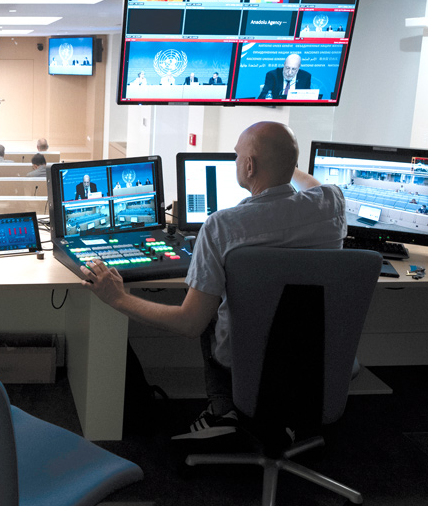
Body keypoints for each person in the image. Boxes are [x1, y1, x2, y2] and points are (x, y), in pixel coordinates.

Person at [79, 121, 345, 441]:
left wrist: (116, 297)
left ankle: (223, 410)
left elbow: (189, 323)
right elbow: (313, 186)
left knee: (210, 302)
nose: (234, 162)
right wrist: (285, 162)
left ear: (249, 165)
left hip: (244, 358)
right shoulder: (332, 203)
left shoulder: (222, 226)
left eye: (235, 156)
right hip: (315, 358)